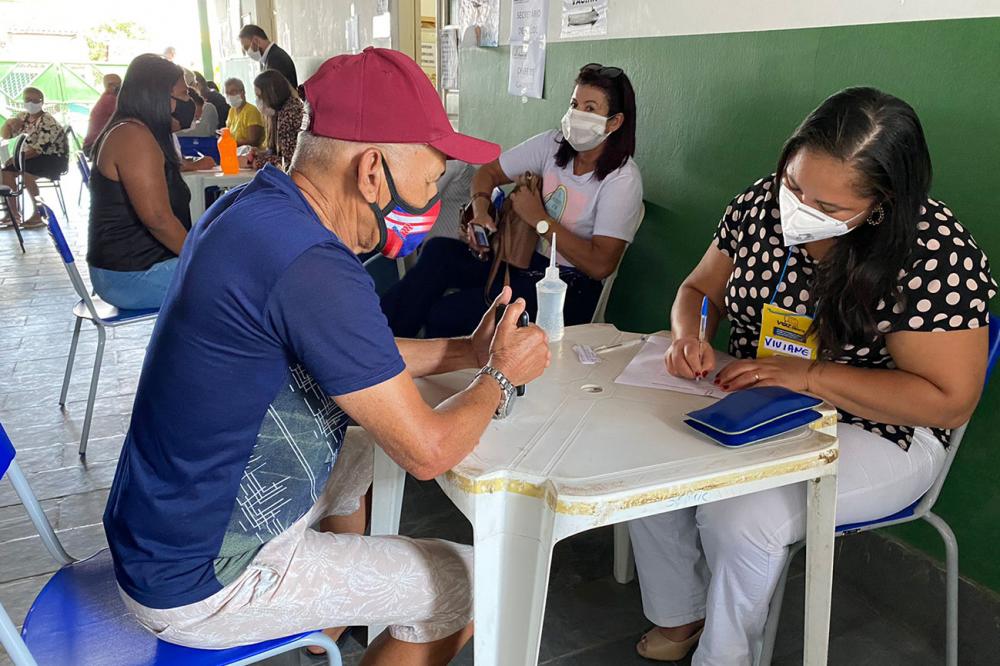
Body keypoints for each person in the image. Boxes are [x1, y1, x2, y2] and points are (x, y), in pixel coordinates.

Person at [102, 47, 549, 665]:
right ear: (372, 173)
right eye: (429, 184)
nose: (428, 208)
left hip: (160, 525)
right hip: (198, 579)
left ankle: (335, 622)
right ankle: (335, 605)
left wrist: (467, 349)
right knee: (472, 584)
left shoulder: (254, 207)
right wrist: (499, 375)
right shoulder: (312, 265)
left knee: (360, 440)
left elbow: (357, 352)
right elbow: (428, 451)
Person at [627, 87, 996, 665]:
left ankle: (725, 656)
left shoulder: (934, 251)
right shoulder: (758, 205)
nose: (798, 209)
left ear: (882, 203)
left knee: (741, 512)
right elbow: (698, 291)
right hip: (757, 393)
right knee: (647, 456)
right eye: (794, 187)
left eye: (828, 206)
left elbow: (947, 402)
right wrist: (689, 336)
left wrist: (809, 377)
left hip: (882, 427)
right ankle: (682, 612)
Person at [381, 63, 644, 338]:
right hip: (522, 261)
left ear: (614, 122)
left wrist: (540, 220)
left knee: (447, 314)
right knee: (438, 253)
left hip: (567, 289)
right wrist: (481, 212)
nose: (578, 115)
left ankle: (431, 367)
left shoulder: (622, 180)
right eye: (574, 104)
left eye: (590, 109)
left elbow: (601, 265)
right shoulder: (552, 145)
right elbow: (488, 172)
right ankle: (382, 345)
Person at [86, 54, 193, 310]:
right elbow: (158, 220)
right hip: (130, 276)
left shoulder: (135, 131)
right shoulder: (134, 137)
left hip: (138, 266)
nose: (189, 102)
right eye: (184, 94)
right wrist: (200, 257)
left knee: (234, 264)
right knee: (240, 276)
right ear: (159, 97)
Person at [1, 87, 69, 228]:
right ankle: (13, 214)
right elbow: (6, 135)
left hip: (52, 158)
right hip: (30, 157)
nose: (31, 103)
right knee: (6, 171)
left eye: (35, 100)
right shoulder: (24, 118)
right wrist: (8, 123)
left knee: (25, 172)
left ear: (42, 102)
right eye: (28, 100)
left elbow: (38, 150)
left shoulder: (48, 121)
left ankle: (39, 213)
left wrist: (16, 159)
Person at [250, 69, 304, 171]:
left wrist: (256, 162)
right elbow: (279, 153)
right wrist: (261, 154)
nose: (257, 101)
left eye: (259, 96)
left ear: (271, 94)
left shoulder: (290, 114)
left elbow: (289, 163)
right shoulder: (280, 112)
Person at [238, 24, 298, 89]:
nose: (248, 53)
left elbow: (277, 94)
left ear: (256, 41)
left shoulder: (276, 59)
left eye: (247, 48)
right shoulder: (271, 57)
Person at [83, 73, 121, 156]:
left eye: (119, 83)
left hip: (94, 144)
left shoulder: (106, 97)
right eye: (112, 84)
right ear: (107, 86)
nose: (118, 87)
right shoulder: (110, 99)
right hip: (94, 147)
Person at [224, 77, 265, 148]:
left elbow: (253, 141)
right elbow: (228, 133)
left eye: (233, 92)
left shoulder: (251, 111)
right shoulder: (232, 111)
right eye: (227, 93)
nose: (229, 95)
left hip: (252, 154)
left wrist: (233, 142)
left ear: (242, 92)